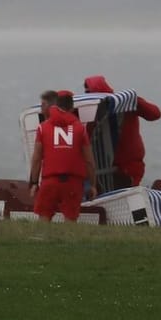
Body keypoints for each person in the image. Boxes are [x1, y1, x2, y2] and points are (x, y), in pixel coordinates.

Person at [84, 74, 161, 188]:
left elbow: (155, 114)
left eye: (88, 92)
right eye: (86, 93)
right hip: (100, 168)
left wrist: (135, 101)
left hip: (127, 168)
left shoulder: (127, 104)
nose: (86, 95)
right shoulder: (88, 110)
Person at [29, 91, 96, 222]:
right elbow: (89, 161)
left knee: (43, 219)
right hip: (73, 182)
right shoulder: (80, 129)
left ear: (55, 106)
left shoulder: (43, 128)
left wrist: (34, 182)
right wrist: (93, 184)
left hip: (50, 181)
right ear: (71, 109)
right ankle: (69, 241)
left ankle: (42, 241)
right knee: (70, 221)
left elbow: (36, 159)